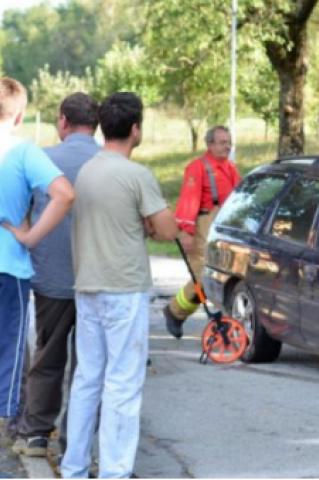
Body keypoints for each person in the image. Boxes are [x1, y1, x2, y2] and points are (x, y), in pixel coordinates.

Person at [60, 92, 178, 479]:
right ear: (134, 129)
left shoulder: (89, 170)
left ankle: (74, 466)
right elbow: (165, 229)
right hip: (123, 287)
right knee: (123, 385)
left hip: (88, 284)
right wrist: (152, 223)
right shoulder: (136, 175)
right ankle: (114, 471)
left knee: (86, 380)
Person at [12, 93, 101, 458]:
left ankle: (35, 434)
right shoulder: (109, 162)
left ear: (63, 120)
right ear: (94, 123)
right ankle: (76, 444)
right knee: (89, 365)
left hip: (52, 276)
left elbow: (22, 213)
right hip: (97, 278)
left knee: (47, 357)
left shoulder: (41, 159)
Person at [0, 77, 75, 426]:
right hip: (9, 267)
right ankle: (8, 425)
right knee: (9, 353)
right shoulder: (24, 151)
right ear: (19, 117)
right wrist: (30, 238)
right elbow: (65, 195)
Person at [164, 125, 242, 339]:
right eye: (222, 142)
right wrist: (186, 232)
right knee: (203, 277)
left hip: (223, 226)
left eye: (229, 142)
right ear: (210, 144)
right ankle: (174, 312)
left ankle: (175, 312)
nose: (227, 146)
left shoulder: (231, 168)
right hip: (203, 225)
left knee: (217, 278)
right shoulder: (197, 168)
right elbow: (189, 199)